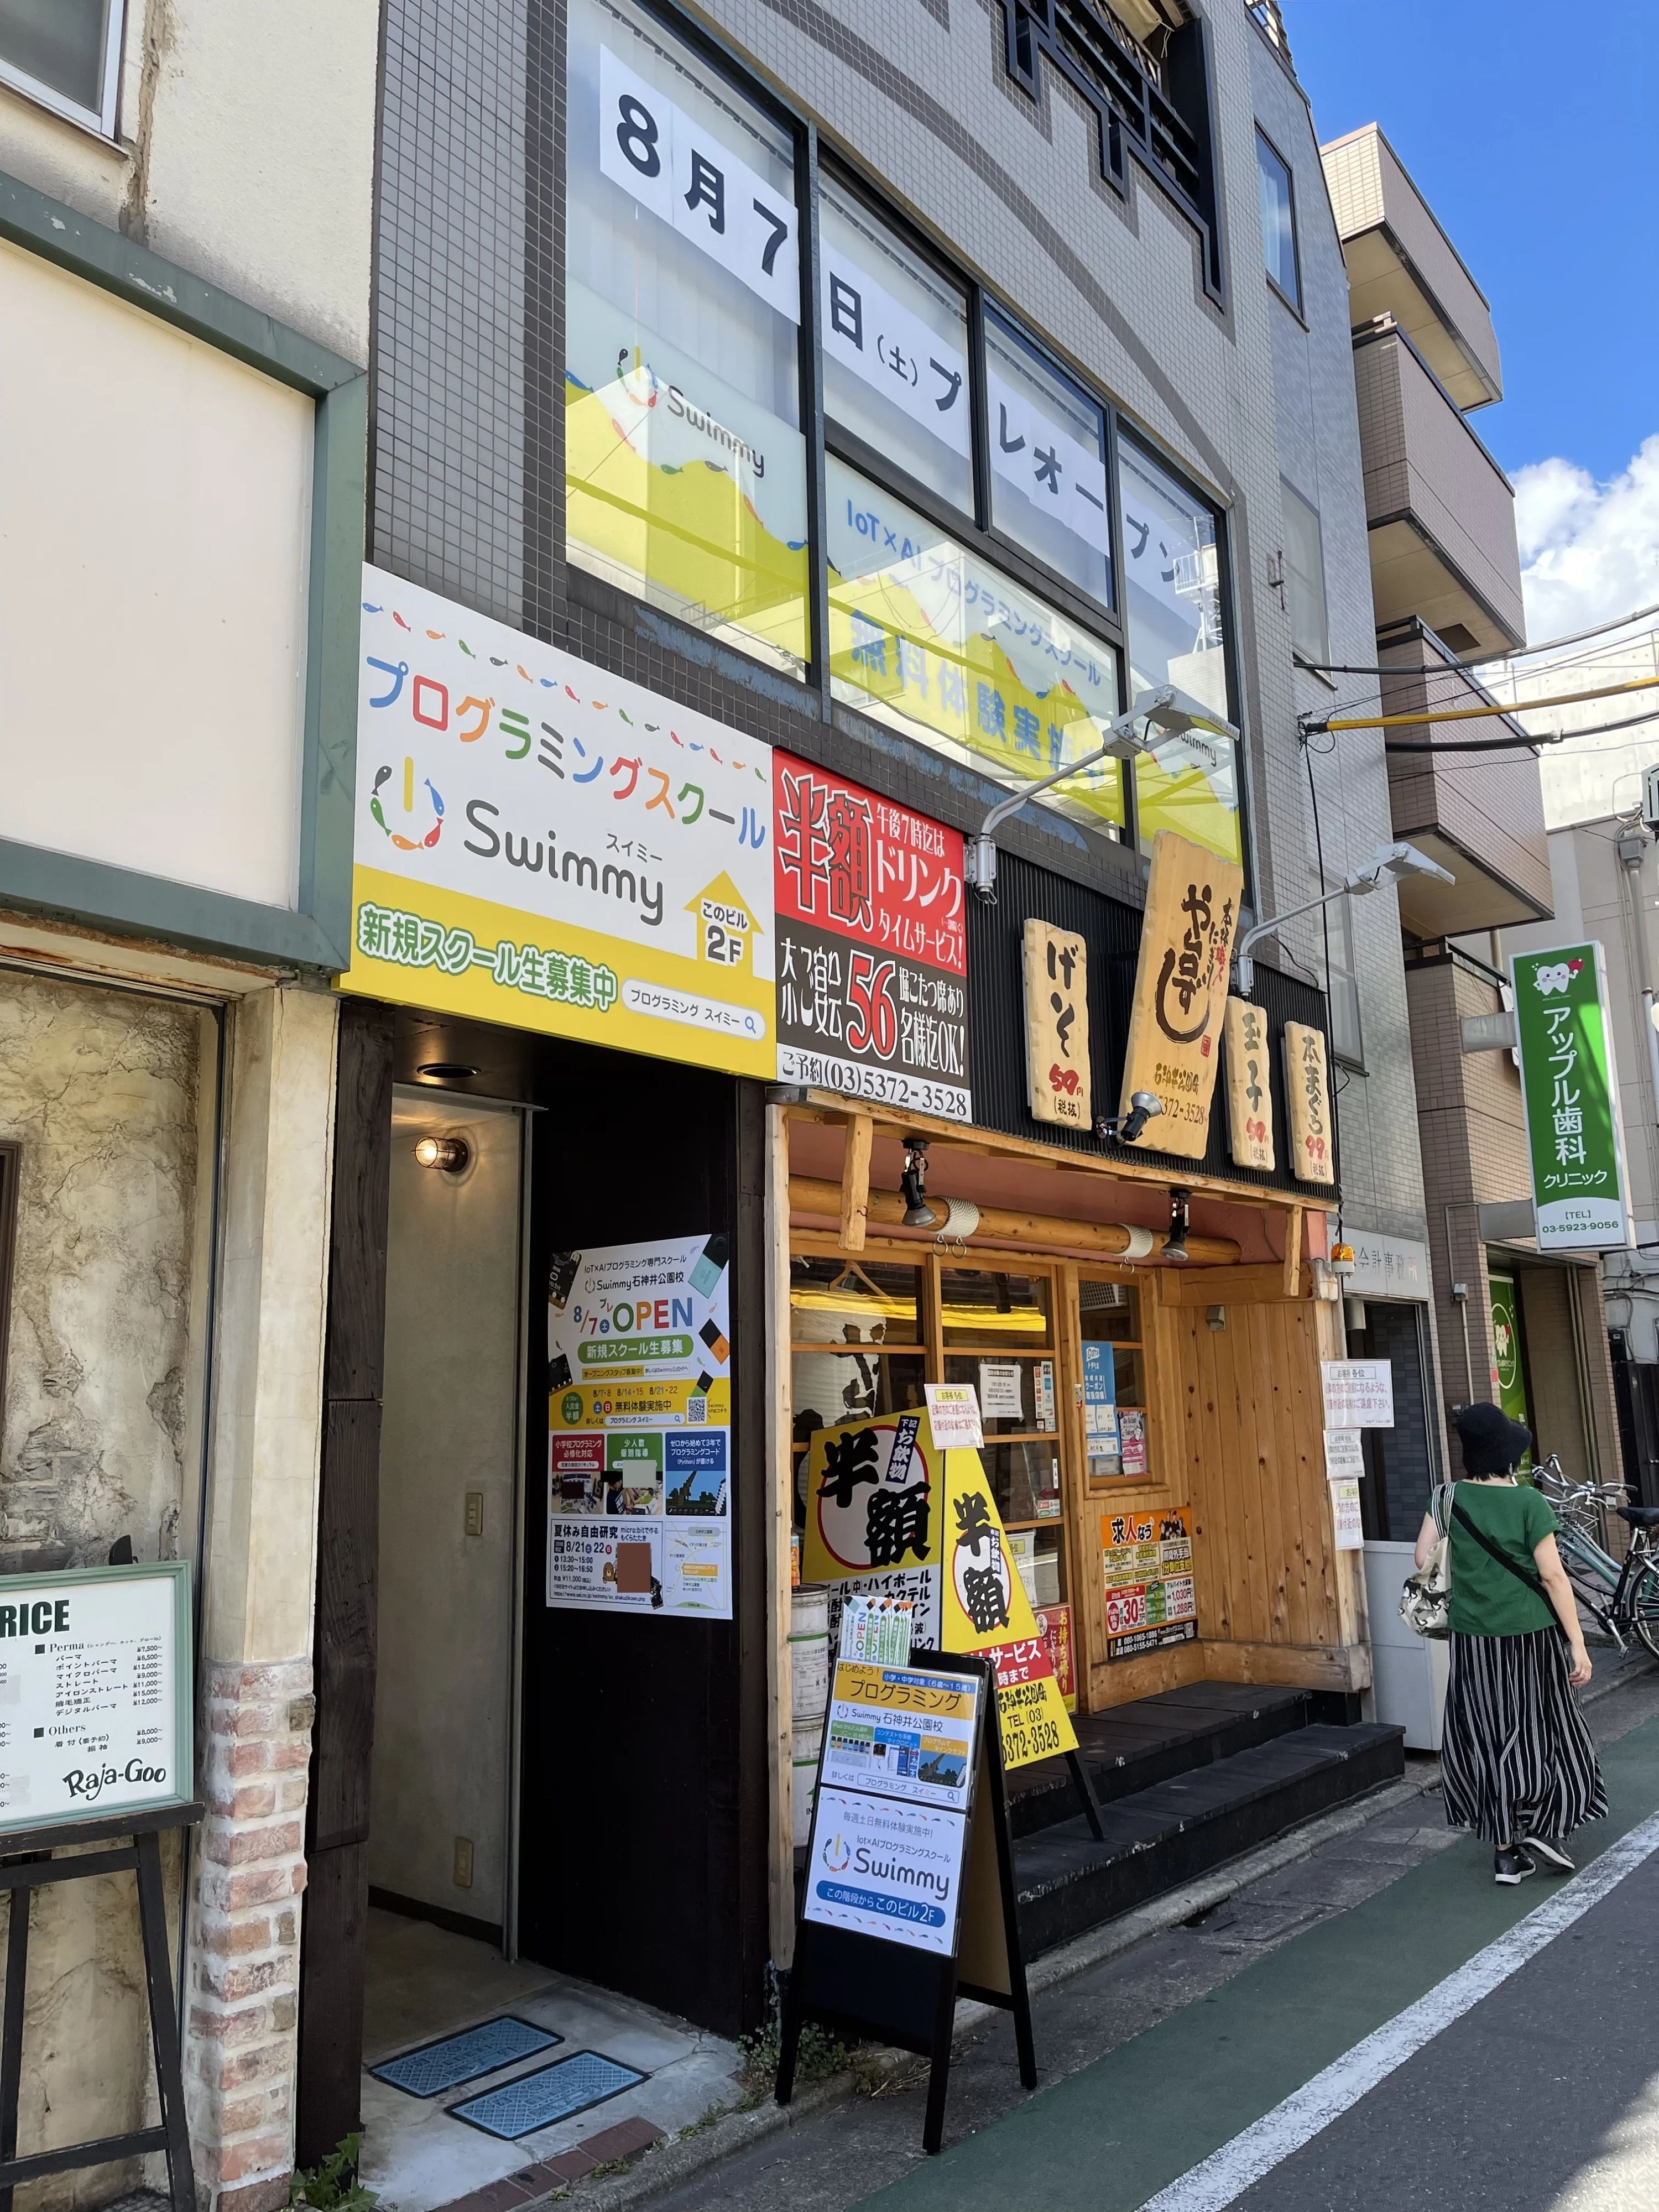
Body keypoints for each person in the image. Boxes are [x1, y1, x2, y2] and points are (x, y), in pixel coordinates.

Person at [1414, 1402, 1606, 1886]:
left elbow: (1422, 1558)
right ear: (1507, 1456)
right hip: (1531, 1636)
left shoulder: (1446, 1497)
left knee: (1486, 1734)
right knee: (1545, 1726)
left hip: (1473, 1640)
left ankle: (1507, 1853)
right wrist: (1579, 1643)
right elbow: (1553, 1576)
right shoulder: (1529, 1503)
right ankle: (1543, 1821)